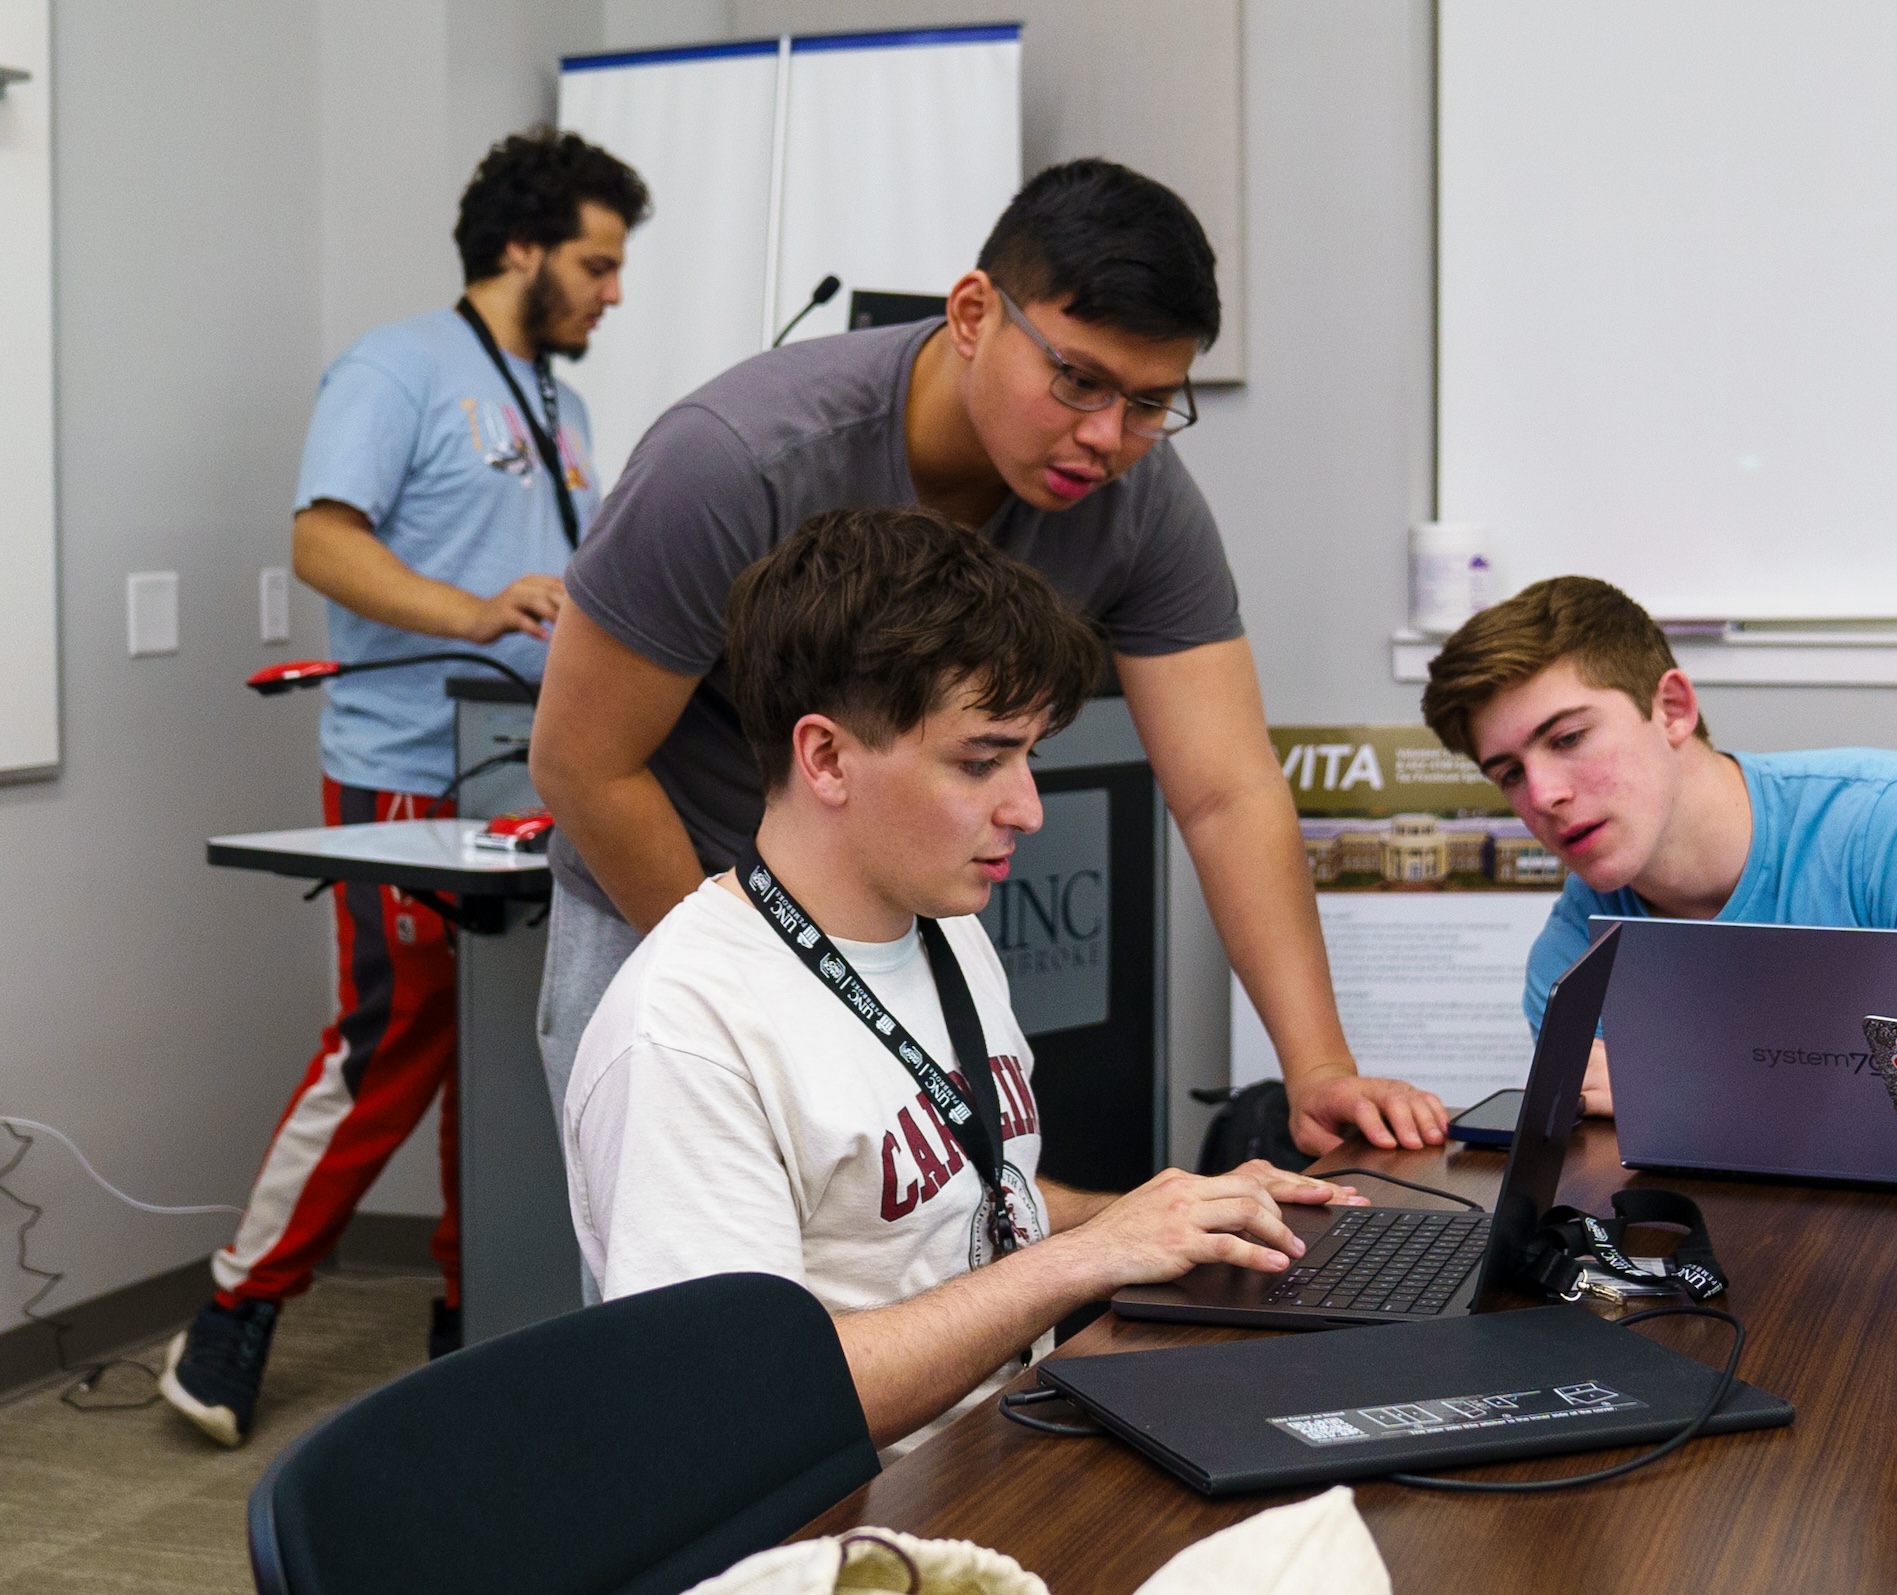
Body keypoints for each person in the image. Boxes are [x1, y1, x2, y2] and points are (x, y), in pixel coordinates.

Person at [531, 158, 1444, 1165]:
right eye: (1078, 379)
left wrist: (1316, 1068)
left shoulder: (1137, 499)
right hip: (673, 904)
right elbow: (585, 764)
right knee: (695, 1309)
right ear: (973, 313)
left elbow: (1226, 788)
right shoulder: (736, 461)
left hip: (899, 923)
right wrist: (773, 986)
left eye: (1150, 402)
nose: (1106, 436)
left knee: (931, 1259)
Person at [564, 507, 1362, 1452]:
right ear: (825, 757)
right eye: (981, 761)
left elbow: (960, 1200)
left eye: (1030, 756)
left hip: (996, 1454)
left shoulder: (938, 923)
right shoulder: (685, 1032)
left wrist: (1178, 1216)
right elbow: (735, 1407)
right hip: (843, 1531)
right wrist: (1086, 1258)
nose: (1026, 807)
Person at [160, 129, 648, 1447]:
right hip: (404, 768)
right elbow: (324, 538)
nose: (614, 292)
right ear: (521, 247)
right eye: (598, 265)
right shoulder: (396, 367)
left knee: (503, 1040)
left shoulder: (569, 407)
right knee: (396, 1035)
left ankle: (467, 1308)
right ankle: (233, 1311)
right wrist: (476, 611)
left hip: (536, 770)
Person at [1420, 576, 1897, 1116]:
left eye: (1568, 738)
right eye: (1508, 772)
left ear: (1673, 709)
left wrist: (1692, 1094)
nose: (1542, 794)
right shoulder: (1572, 963)